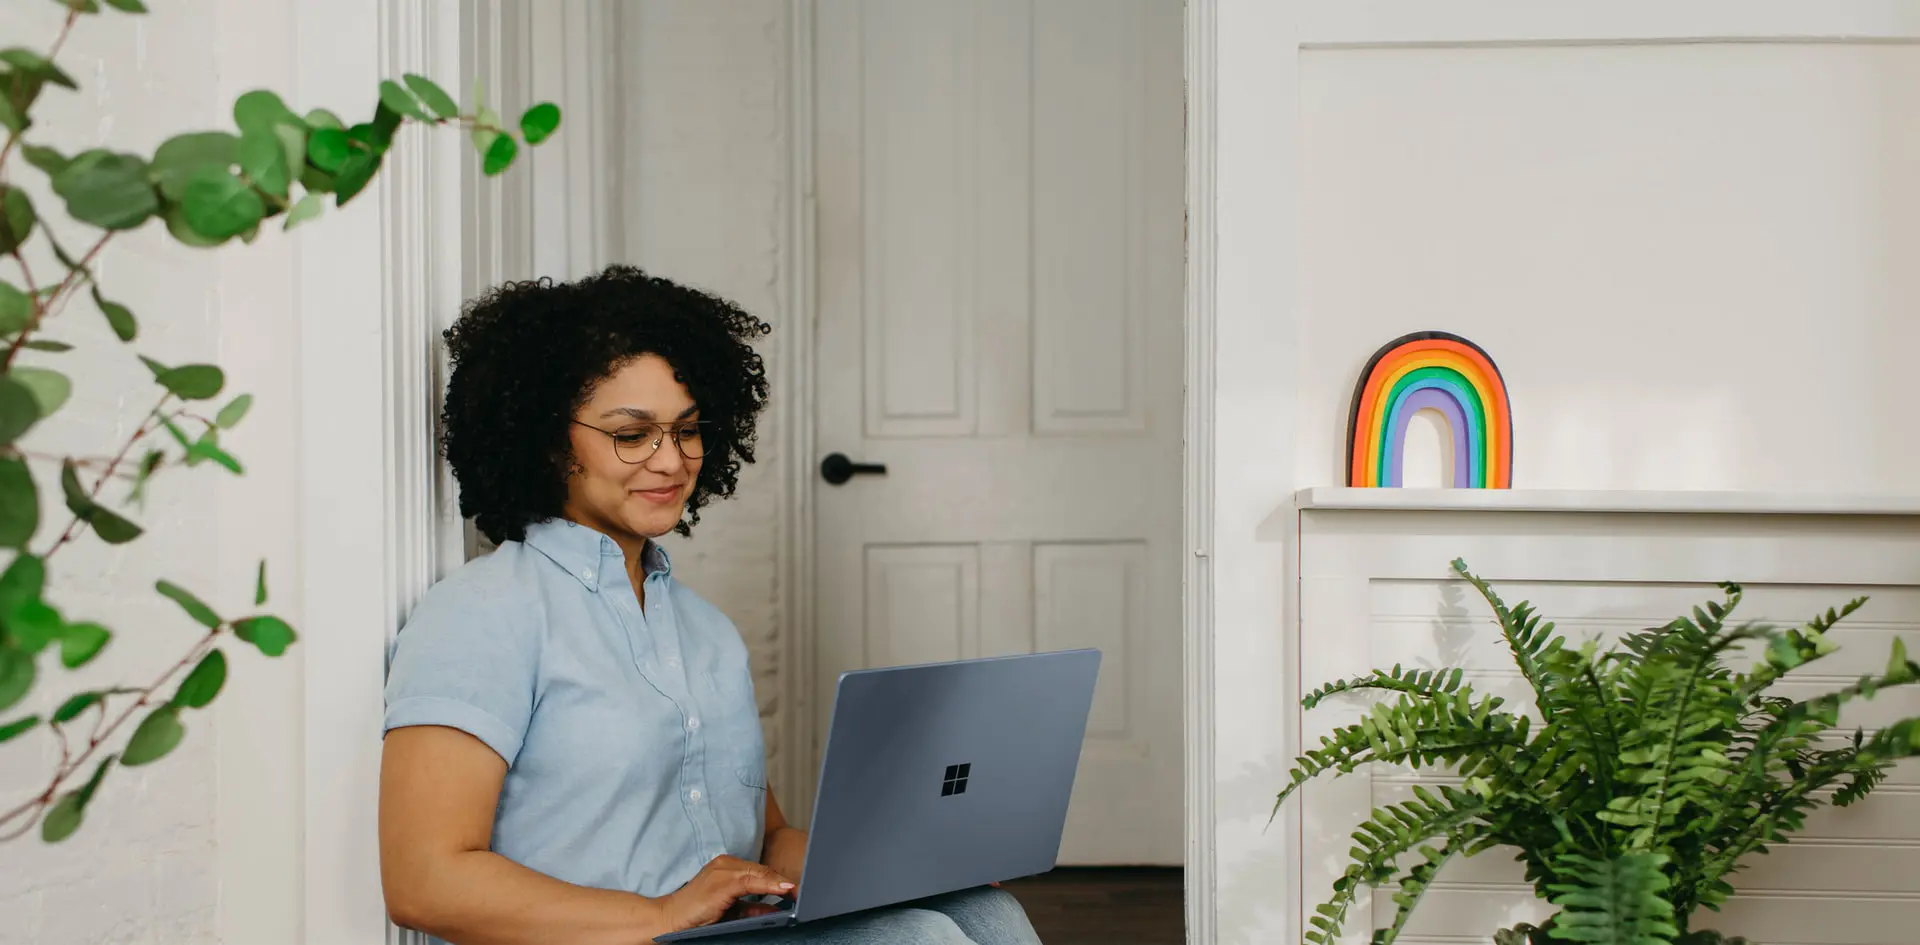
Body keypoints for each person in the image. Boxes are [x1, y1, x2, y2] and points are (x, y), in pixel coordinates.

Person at [377, 265, 1044, 945]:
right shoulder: (482, 613)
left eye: (687, 430)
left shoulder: (704, 631)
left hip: (721, 933)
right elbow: (424, 879)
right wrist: (660, 915)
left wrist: (908, 864)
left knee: (987, 915)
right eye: (632, 434)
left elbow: (768, 837)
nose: (671, 461)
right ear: (551, 443)